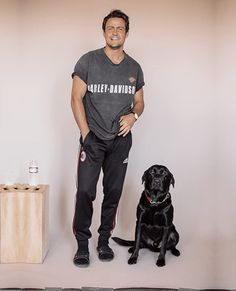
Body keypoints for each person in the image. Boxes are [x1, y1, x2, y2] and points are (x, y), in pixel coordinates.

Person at [71, 9, 145, 267]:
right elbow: (75, 98)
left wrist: (134, 117)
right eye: (111, 28)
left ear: (126, 33)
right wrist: (85, 134)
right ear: (104, 32)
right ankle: (82, 244)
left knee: (112, 192)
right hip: (92, 140)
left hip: (120, 142)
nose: (115, 32)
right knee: (85, 192)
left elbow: (139, 101)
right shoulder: (88, 61)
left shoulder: (134, 67)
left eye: (120, 28)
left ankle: (103, 241)